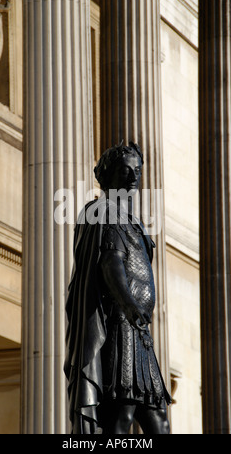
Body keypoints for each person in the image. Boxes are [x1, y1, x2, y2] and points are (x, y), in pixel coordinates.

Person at [64, 142, 171, 434]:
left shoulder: (132, 221)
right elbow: (111, 265)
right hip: (120, 327)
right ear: (108, 174)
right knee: (121, 417)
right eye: (125, 170)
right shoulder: (104, 212)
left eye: (137, 170)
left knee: (159, 420)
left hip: (139, 333)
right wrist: (129, 304)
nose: (133, 177)